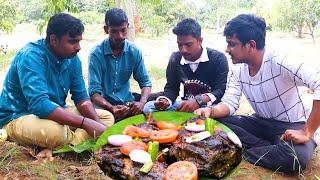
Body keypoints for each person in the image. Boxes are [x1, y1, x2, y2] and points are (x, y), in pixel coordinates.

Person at [195, 14, 319, 174]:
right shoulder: (237, 69)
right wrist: (210, 111)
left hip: (292, 125)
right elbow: (230, 103)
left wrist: (307, 131)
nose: (227, 49)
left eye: (232, 44)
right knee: (216, 121)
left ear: (251, 45)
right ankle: (268, 147)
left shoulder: (279, 61)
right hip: (260, 122)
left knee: (295, 158)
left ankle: (239, 149)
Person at [0, 13, 114, 152]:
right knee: (57, 132)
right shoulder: (31, 56)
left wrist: (96, 123)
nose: (78, 47)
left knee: (106, 117)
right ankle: (68, 142)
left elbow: (82, 99)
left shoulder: (72, 59)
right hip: (18, 116)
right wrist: (85, 123)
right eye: (72, 41)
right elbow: (40, 105)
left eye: (79, 41)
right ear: (54, 40)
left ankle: (67, 145)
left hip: (54, 112)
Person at [143, 18, 228, 113]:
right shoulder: (175, 59)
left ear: (200, 41)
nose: (183, 50)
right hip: (186, 106)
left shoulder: (218, 59)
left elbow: (221, 90)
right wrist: (166, 100)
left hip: (211, 109)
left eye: (188, 45)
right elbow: (172, 88)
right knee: (149, 107)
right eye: (179, 45)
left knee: (205, 114)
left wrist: (199, 100)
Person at [88, 8, 152, 121]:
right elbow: (94, 93)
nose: (120, 36)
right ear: (106, 29)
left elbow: (146, 82)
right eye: (114, 31)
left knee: (151, 111)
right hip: (104, 105)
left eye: (123, 30)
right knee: (101, 120)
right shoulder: (96, 54)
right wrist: (111, 107)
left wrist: (141, 103)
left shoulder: (134, 51)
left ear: (128, 26)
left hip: (127, 103)